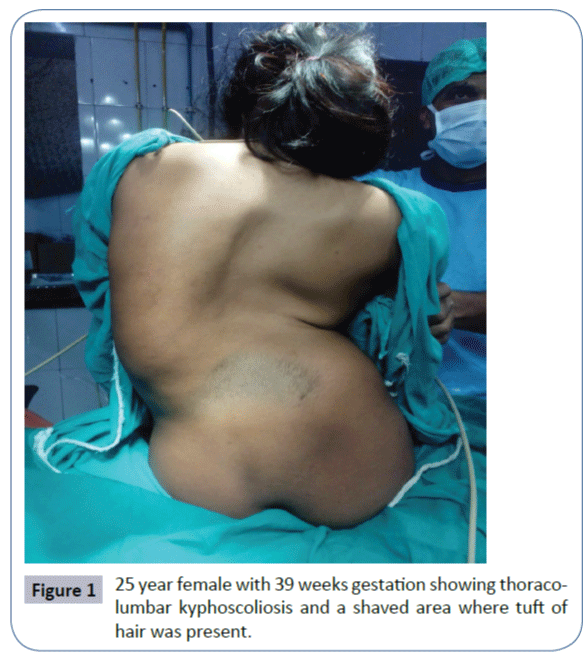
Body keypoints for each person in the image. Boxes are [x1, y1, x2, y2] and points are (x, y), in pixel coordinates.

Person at [38, 23, 455, 530]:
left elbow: (100, 286)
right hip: (355, 462)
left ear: (242, 100)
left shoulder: (139, 169)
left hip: (197, 472)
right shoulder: (397, 218)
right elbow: (409, 343)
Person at [368, 37, 486, 398]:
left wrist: (460, 307)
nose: (482, 109)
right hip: (396, 397)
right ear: (426, 117)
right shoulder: (383, 192)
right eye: (462, 94)